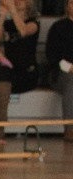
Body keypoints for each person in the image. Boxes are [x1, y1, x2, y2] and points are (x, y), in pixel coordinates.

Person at [0, 0, 39, 138]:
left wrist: (12, 10)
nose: (17, 1)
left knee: (1, 76)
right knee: (1, 73)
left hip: (27, 73)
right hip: (10, 71)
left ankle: (0, 124)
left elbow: (23, 30)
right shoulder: (7, 24)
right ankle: (0, 124)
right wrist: (1, 15)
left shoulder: (34, 23)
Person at [46, 0, 73, 141]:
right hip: (61, 73)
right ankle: (69, 129)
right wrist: (70, 67)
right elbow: (52, 55)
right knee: (71, 82)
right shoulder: (58, 27)